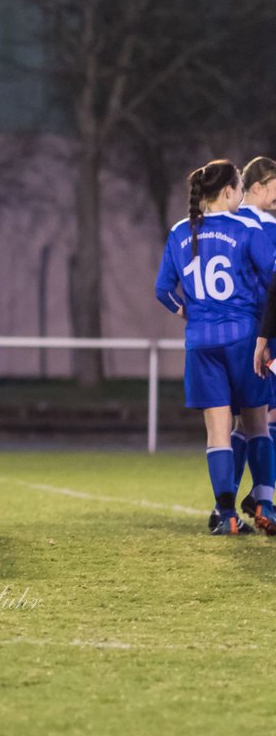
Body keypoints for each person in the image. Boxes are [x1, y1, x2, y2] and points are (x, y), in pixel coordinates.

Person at [156, 159, 275, 535]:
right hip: (244, 338)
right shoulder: (247, 226)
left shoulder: (179, 231)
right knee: (257, 424)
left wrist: (185, 311)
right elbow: (274, 278)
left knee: (218, 431)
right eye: (240, 187)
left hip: (200, 343)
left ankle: (225, 515)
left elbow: (162, 290)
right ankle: (267, 505)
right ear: (229, 191)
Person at [228, 157, 276, 526]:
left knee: (249, 420)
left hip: (234, 331)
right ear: (257, 186)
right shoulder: (259, 224)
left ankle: (234, 498)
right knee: (261, 418)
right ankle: (262, 498)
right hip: (262, 331)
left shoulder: (225, 222)